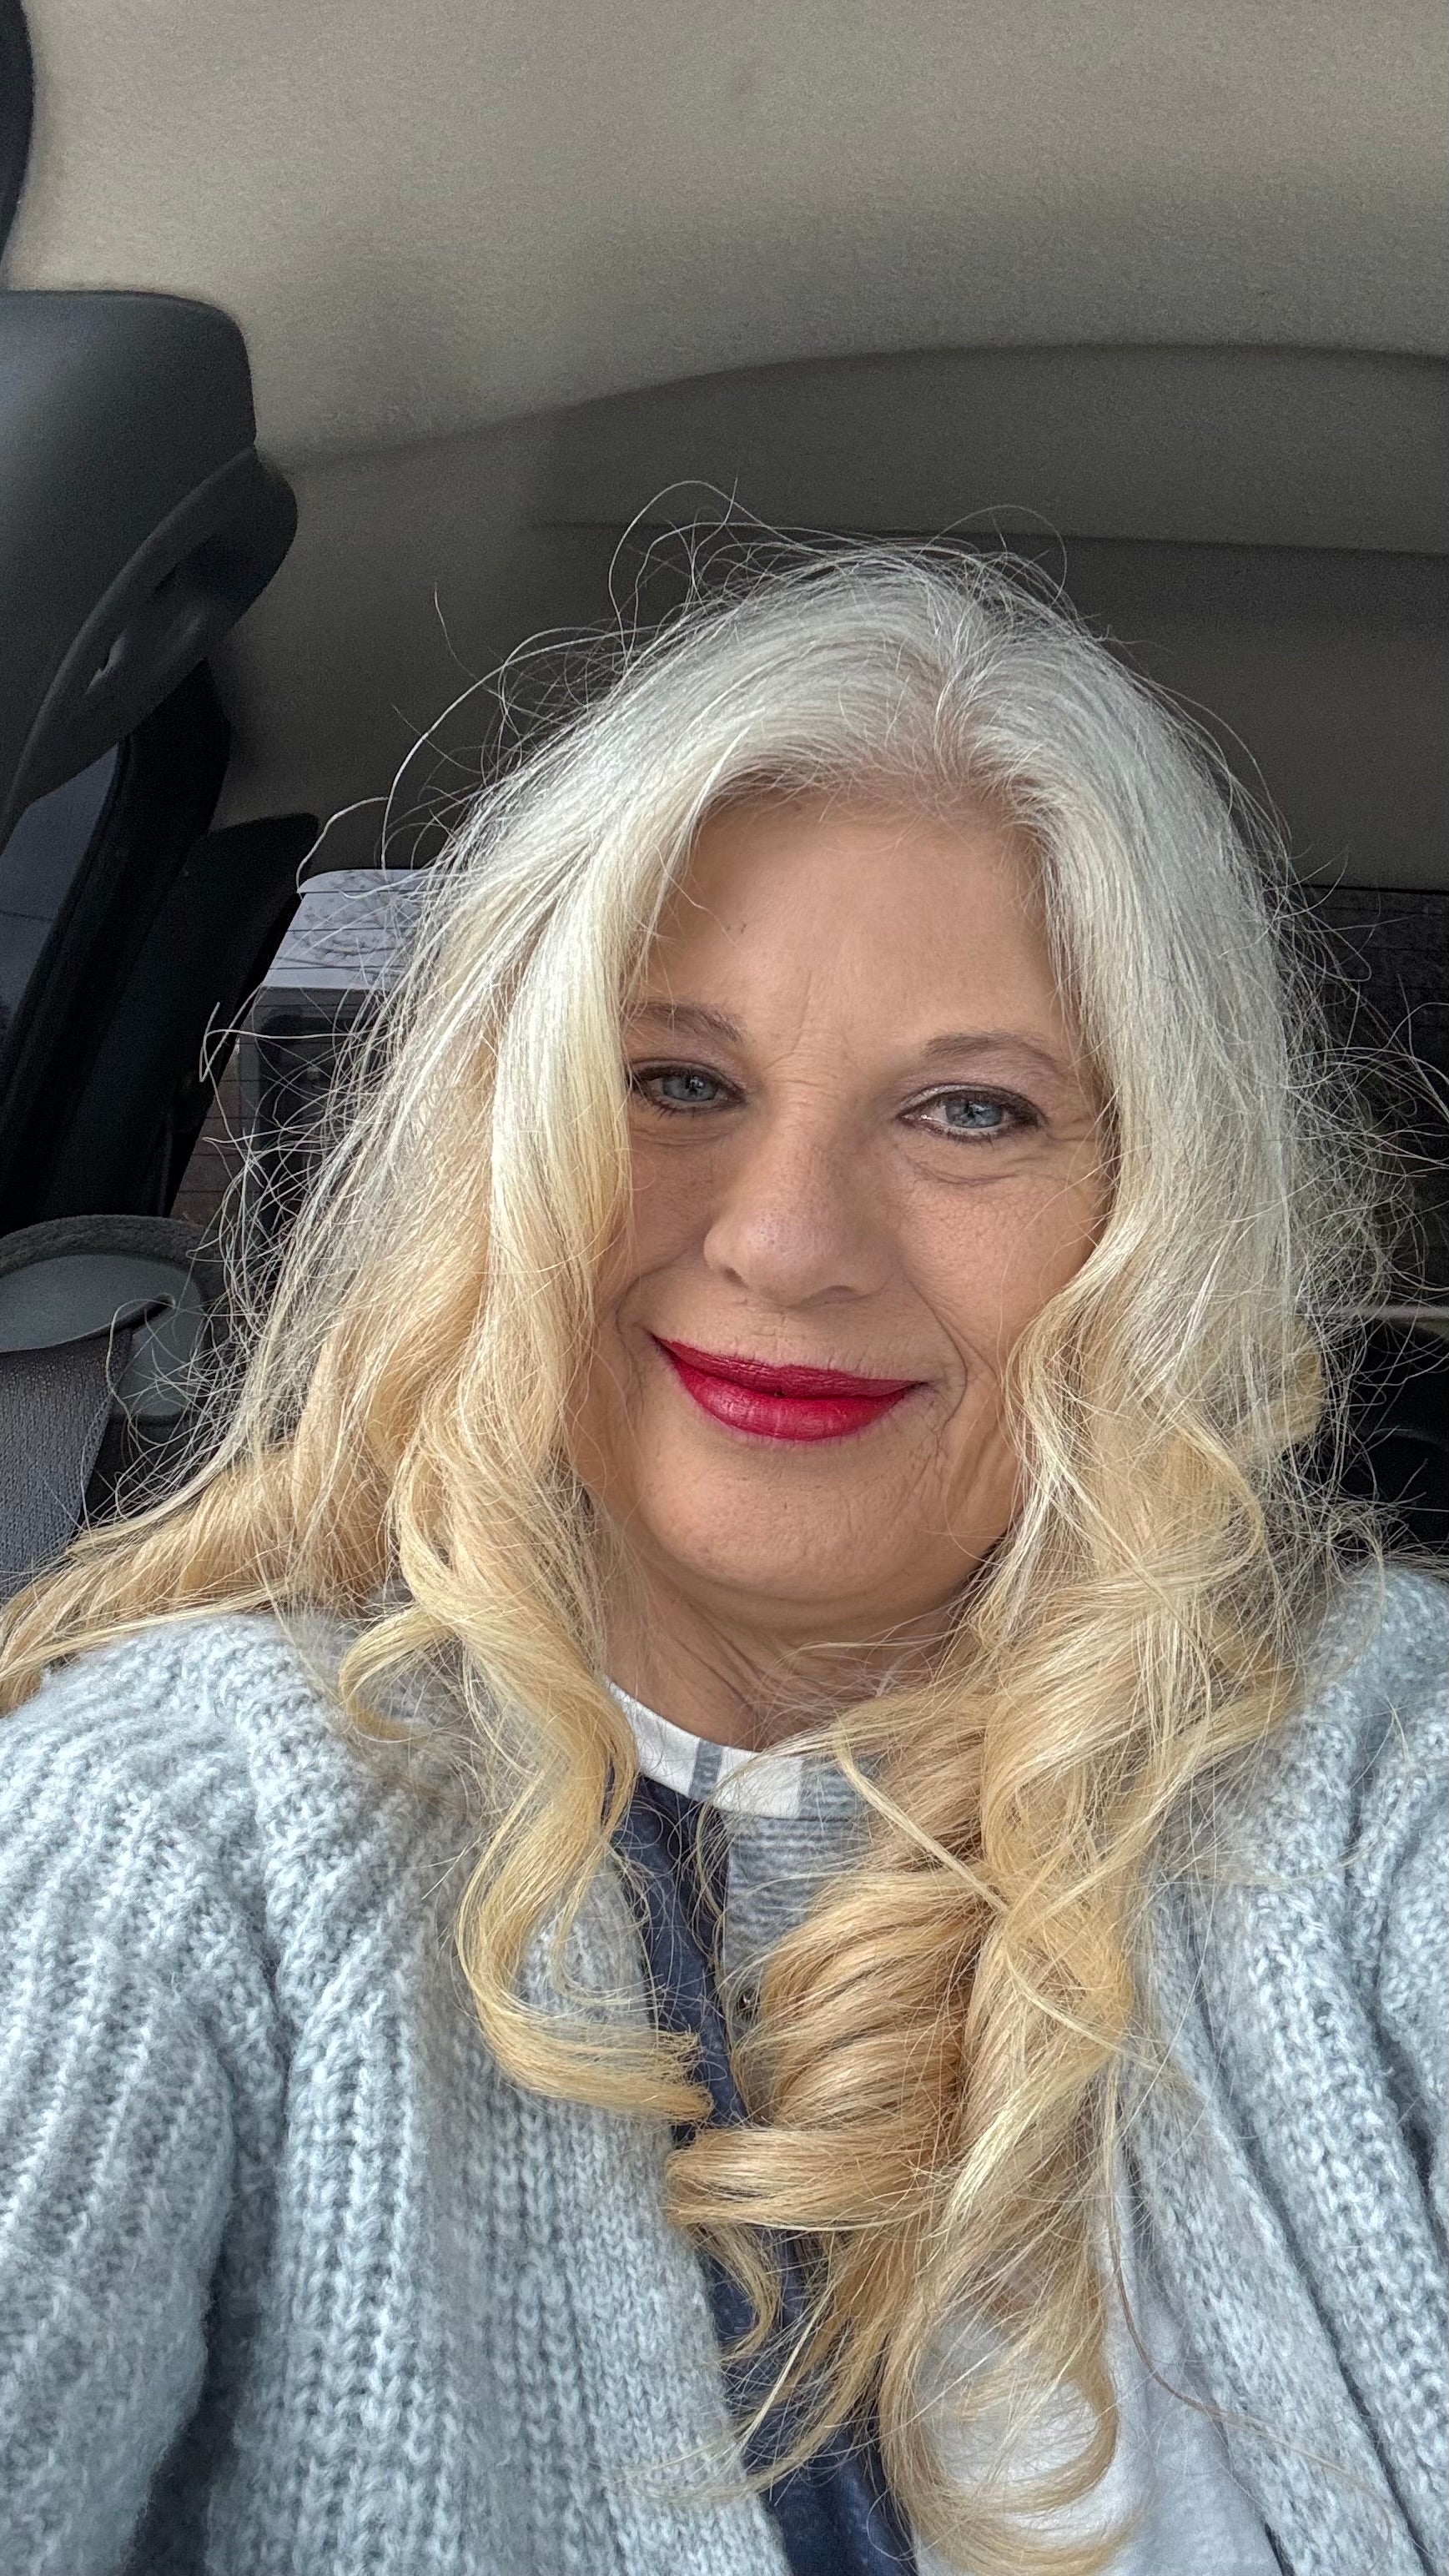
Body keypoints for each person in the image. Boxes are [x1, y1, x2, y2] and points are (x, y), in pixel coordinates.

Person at [0, 546, 1443, 2576]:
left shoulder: (1369, 1769)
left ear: (1153, 1216)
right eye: (676, 1079)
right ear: (503, 1142)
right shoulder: (170, 1829)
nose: (781, 1240)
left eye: (969, 1110)